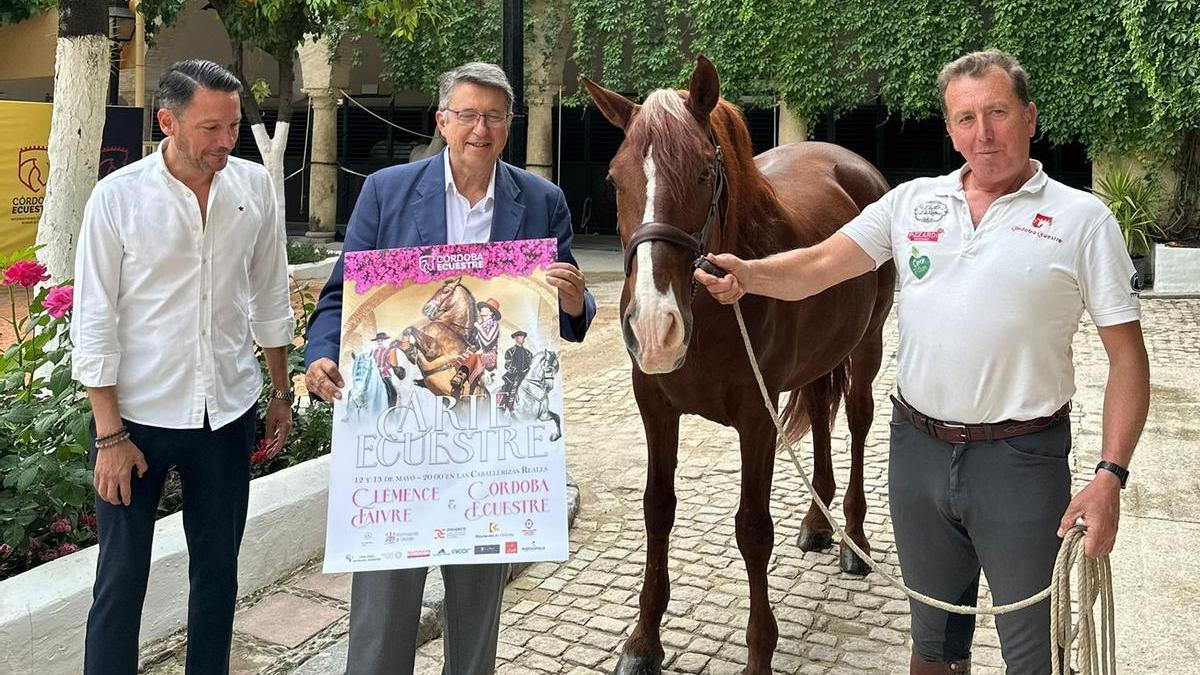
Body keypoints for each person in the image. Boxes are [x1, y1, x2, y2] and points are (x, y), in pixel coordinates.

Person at [695, 50, 1149, 675]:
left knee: (1031, 653)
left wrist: (1110, 477)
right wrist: (749, 276)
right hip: (918, 454)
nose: (983, 134)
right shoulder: (913, 204)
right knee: (932, 648)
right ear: (949, 129)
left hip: (1021, 459)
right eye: (966, 118)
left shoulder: (1084, 220)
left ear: (1030, 117)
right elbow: (820, 266)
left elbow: (1128, 361)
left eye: (997, 113)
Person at [304, 61, 596, 675]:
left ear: (509, 125)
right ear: (442, 120)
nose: (479, 130)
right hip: (401, 445)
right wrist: (323, 354)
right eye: (466, 115)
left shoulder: (541, 202)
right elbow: (340, 298)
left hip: (490, 445)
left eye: (493, 117)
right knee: (383, 609)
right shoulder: (386, 191)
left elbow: (567, 314)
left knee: (476, 606)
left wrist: (574, 300)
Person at [71, 59, 295, 674]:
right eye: (211, 128)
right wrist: (109, 435)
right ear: (167, 121)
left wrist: (280, 391)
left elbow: (271, 294)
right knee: (120, 581)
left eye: (232, 126)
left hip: (225, 413)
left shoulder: (253, 188)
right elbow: (94, 321)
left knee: (219, 576)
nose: (226, 140)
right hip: (135, 421)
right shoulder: (116, 200)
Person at [500, 330, 534, 410]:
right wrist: (516, 371)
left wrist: (527, 371)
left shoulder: (528, 353)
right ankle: (505, 405)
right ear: (515, 338)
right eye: (520, 336)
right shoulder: (510, 351)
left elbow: (531, 364)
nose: (522, 338)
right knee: (508, 388)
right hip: (513, 376)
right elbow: (507, 365)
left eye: (523, 336)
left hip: (526, 376)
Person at [369, 331, 405, 406]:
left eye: (381, 341)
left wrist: (383, 369)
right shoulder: (374, 351)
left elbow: (390, 363)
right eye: (378, 341)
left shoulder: (387, 350)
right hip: (375, 373)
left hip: (384, 374)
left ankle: (391, 406)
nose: (379, 342)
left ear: (384, 341)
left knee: (392, 390)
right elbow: (371, 361)